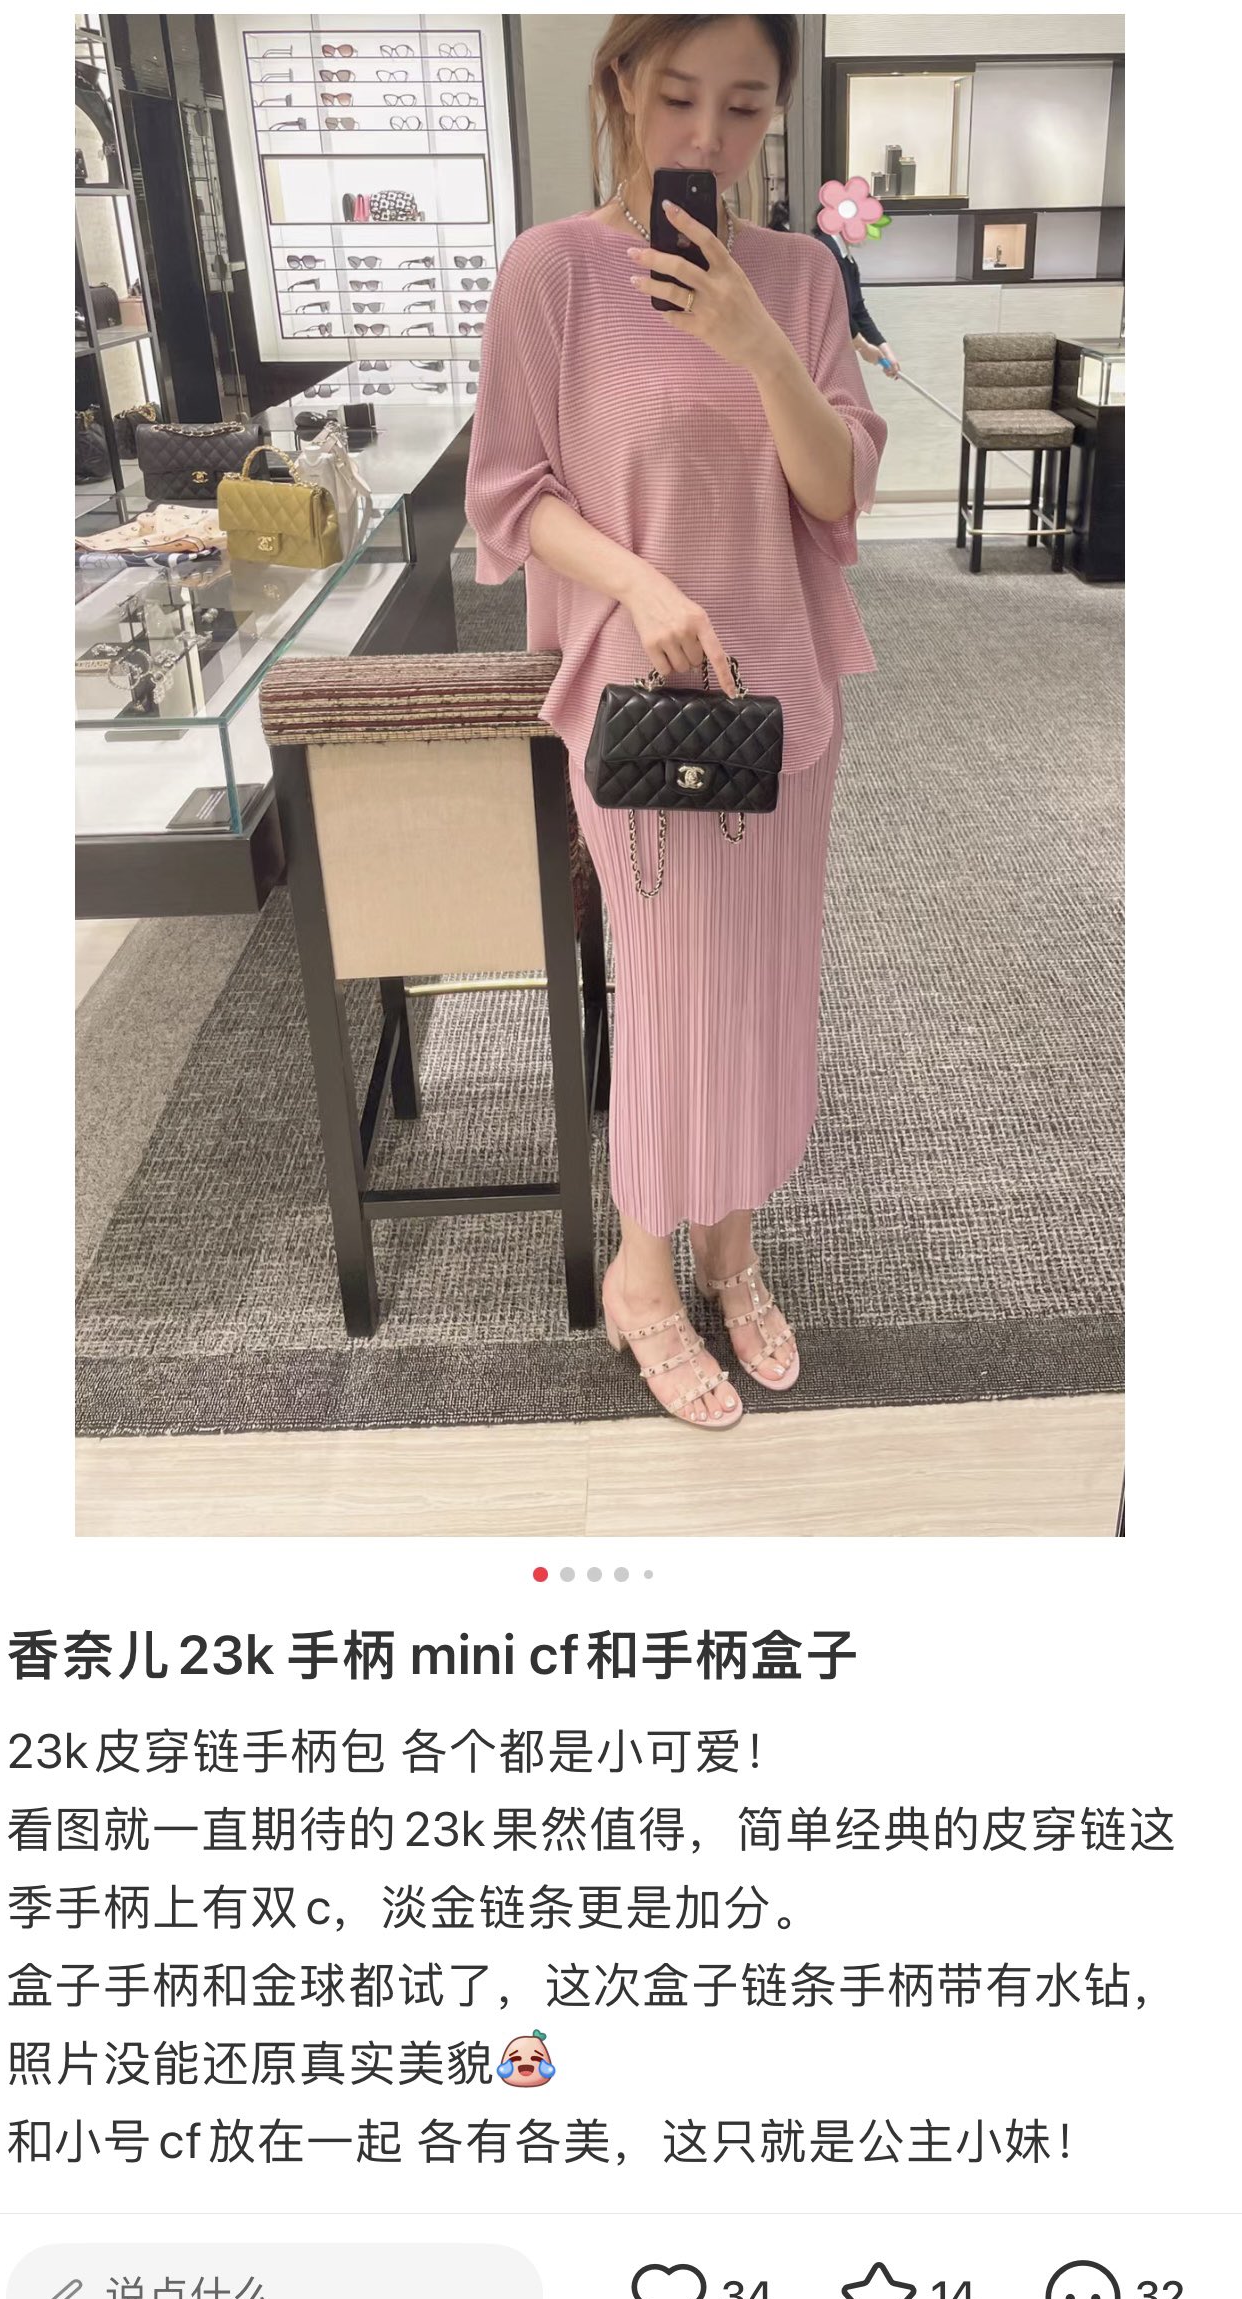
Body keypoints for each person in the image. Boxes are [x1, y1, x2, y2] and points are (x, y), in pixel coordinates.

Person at [465, 14, 887, 1429]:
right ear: (621, 88)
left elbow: (834, 489)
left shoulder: (802, 278)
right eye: (680, 97)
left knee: (761, 993)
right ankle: (641, 1273)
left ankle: (731, 1248)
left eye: (747, 107)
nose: (710, 137)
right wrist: (640, 582)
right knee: (669, 1002)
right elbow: (511, 493)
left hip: (783, 710)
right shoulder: (555, 272)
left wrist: (760, 343)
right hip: (640, 716)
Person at [811, 219, 902, 379]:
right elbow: (834, 309)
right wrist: (862, 346)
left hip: (835, 352)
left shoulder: (847, 260)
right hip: (816, 355)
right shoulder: (826, 251)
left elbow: (858, 311)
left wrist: (884, 349)